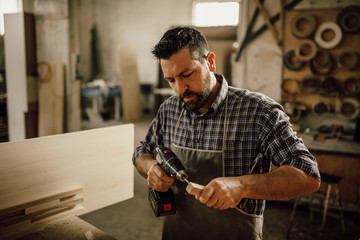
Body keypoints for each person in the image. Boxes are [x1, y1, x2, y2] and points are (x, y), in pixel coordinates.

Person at [133, 26, 320, 240]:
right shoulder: (170, 109)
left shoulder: (259, 112)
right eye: (171, 80)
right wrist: (150, 168)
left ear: (210, 62)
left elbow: (308, 174)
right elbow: (142, 151)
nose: (180, 90)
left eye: (187, 74)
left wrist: (241, 186)